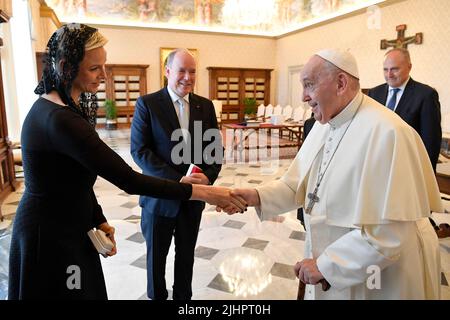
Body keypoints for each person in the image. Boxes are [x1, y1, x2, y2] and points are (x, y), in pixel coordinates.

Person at [8, 24, 245, 300]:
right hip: (51, 236)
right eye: (95, 68)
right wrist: (207, 193)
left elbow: (73, 178)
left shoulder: (58, 109)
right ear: (66, 66)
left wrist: (97, 217)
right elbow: (130, 179)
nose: (104, 75)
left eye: (104, 66)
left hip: (72, 223)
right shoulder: (61, 120)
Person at [225, 49, 443, 299]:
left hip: (381, 274)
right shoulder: (324, 124)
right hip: (333, 259)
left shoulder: (389, 133)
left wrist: (327, 265)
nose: (303, 96)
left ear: (341, 83)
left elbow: (389, 236)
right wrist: (255, 196)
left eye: (309, 85)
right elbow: (296, 185)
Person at [131, 48, 223, 300]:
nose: (187, 77)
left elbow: (214, 149)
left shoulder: (205, 106)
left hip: (192, 199)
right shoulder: (147, 104)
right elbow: (140, 152)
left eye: (192, 71)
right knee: (156, 259)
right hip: (158, 198)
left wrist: (208, 177)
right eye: (181, 70)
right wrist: (177, 180)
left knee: (186, 255)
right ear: (167, 71)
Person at [368, 48, 442, 172]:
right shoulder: (374, 93)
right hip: (378, 165)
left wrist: (425, 174)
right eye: (385, 70)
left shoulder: (426, 95)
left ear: (409, 67)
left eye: (395, 69)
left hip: (408, 167)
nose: (389, 75)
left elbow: (431, 141)